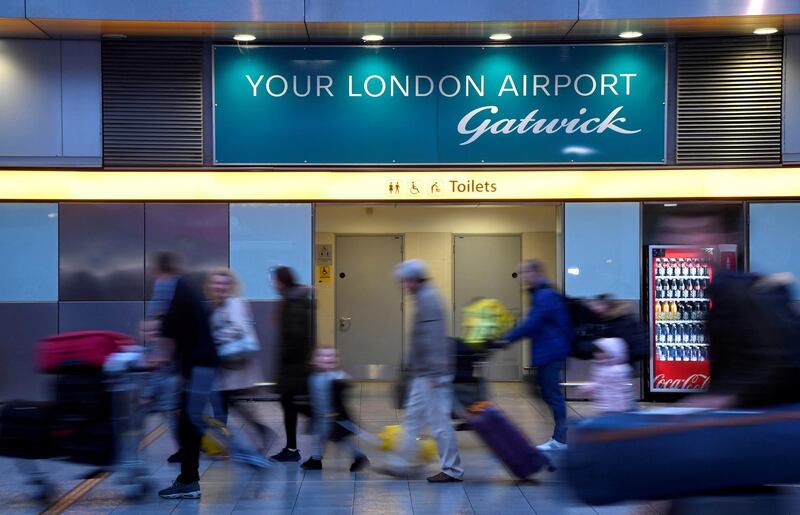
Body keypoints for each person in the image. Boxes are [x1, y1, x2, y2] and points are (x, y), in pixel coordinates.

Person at [380, 259, 464, 483]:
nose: (403, 285)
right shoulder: (422, 297)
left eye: (405, 281)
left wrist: (435, 373)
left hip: (432, 374)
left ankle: (452, 470)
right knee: (412, 419)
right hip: (422, 373)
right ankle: (399, 464)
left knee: (439, 423)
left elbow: (434, 338)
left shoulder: (429, 299)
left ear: (415, 279)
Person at [156, 252, 220, 500]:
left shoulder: (177, 292)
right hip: (198, 365)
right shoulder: (184, 290)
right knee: (188, 421)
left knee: (190, 422)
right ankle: (188, 478)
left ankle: (190, 480)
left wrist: (157, 357)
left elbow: (168, 329)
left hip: (199, 366)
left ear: (163, 272)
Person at [497, 259, 571, 451]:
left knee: (551, 394)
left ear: (534, 273)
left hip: (551, 352)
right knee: (541, 390)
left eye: (523, 273)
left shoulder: (544, 294)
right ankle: (561, 433)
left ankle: (561, 438)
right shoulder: (542, 293)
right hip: (548, 351)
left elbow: (533, 323)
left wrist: (508, 338)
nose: (521, 277)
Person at [206, 268, 274, 452]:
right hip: (228, 365)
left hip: (236, 366)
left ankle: (235, 440)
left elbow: (237, 329)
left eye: (223, 283)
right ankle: (257, 433)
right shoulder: (219, 305)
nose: (219, 287)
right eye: (216, 283)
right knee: (229, 402)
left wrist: (214, 338)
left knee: (225, 401)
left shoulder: (233, 303)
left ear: (230, 286)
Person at [270, 266, 314, 462]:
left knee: (298, 406)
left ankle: (341, 433)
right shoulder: (293, 298)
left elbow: (295, 337)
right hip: (295, 366)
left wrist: (285, 362)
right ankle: (291, 447)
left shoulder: (293, 301)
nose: (272, 284)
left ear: (280, 281)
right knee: (290, 404)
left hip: (294, 367)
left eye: (274, 280)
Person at [301, 346, 369, 472]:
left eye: (331, 356)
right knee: (319, 438)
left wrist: (342, 382)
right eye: (322, 355)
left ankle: (359, 456)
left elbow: (344, 386)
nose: (327, 358)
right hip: (319, 417)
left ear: (337, 361)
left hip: (334, 417)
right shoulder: (313, 376)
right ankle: (315, 460)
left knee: (342, 440)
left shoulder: (336, 377)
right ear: (313, 361)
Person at [578, 338, 635, 415]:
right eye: (596, 352)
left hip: (618, 409)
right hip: (604, 407)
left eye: (601, 352)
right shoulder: (599, 367)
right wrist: (588, 388)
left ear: (612, 352)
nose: (598, 354)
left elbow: (623, 390)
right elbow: (599, 384)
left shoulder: (619, 369)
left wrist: (623, 407)